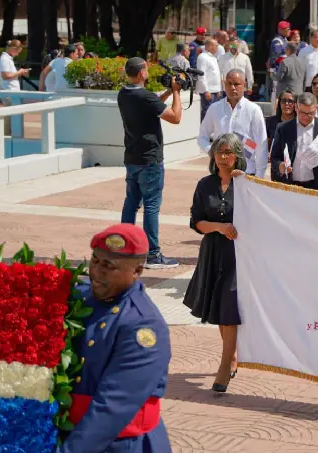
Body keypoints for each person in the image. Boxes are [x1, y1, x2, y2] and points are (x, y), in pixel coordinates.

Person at [56, 224, 171, 453]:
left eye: (109, 266)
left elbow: (112, 408)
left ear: (137, 271)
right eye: (95, 261)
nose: (97, 272)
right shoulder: (83, 296)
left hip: (119, 443)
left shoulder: (143, 327)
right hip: (72, 431)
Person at [184, 134, 245, 393]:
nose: (223, 157)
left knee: (229, 307)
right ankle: (231, 356)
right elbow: (197, 221)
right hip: (212, 252)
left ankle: (223, 365)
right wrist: (220, 227)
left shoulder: (245, 184)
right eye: (219, 152)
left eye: (228, 152)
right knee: (220, 309)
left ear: (237, 155)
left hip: (238, 254)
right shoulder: (204, 184)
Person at [117, 57, 183, 269]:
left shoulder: (124, 94)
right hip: (150, 160)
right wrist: (176, 92)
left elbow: (152, 104)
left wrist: (165, 93)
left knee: (131, 203)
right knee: (152, 206)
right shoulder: (144, 97)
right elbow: (175, 117)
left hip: (132, 158)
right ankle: (153, 254)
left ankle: (124, 248)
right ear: (142, 73)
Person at [198, 69, 268, 177]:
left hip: (246, 172)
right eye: (229, 83)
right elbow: (202, 137)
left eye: (236, 84)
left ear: (244, 85)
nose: (232, 88)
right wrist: (213, 152)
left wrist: (259, 177)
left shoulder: (254, 110)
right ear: (224, 84)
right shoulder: (214, 108)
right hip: (220, 172)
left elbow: (261, 146)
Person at [270, 92, 318, 191]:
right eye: (302, 113)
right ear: (296, 108)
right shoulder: (283, 128)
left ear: (316, 109)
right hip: (291, 186)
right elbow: (274, 157)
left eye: (310, 113)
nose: (306, 116)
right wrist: (280, 166)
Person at [196, 39, 223, 122]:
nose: (217, 48)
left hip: (215, 91)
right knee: (207, 112)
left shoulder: (213, 57)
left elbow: (216, 74)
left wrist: (218, 89)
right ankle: (204, 132)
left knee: (215, 113)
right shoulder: (202, 57)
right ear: (210, 46)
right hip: (208, 91)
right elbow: (201, 75)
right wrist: (206, 90)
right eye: (216, 46)